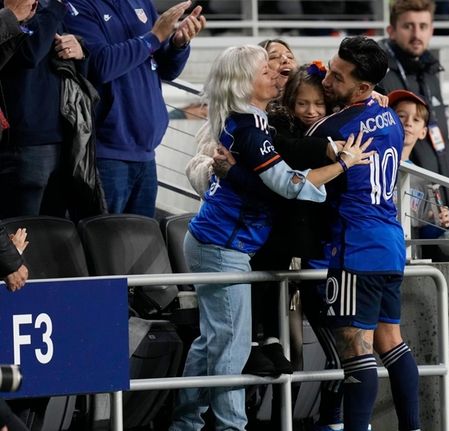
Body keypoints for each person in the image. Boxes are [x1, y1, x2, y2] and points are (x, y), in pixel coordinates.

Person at [167, 44, 371, 431]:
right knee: (231, 346)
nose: (276, 74)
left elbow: (288, 154)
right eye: (266, 71)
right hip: (223, 246)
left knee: (211, 342)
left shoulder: (253, 122)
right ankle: (230, 427)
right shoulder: (249, 129)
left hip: (215, 240)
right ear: (245, 83)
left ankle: (186, 423)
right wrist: (342, 163)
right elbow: (289, 186)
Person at [306, 35, 420, 431]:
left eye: (337, 78)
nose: (326, 83)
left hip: (355, 247)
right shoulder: (387, 114)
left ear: (364, 87)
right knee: (393, 342)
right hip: (389, 241)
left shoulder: (332, 127)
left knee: (356, 351)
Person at [64, 0, 205, 217]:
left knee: (139, 244)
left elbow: (167, 69)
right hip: (105, 154)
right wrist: (154, 37)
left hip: (146, 154)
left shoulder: (140, 2)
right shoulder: (78, 6)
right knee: (103, 243)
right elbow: (101, 66)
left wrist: (178, 44)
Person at [0, 0, 98, 221]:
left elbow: (64, 63)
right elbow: (29, 54)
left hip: (63, 141)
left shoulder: (48, 8)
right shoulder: (13, 7)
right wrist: (56, 6)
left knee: (54, 237)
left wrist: (79, 50)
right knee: (22, 239)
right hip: (24, 147)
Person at [378, 0, 449, 182]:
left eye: (423, 26)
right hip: (405, 194)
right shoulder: (379, 74)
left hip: (440, 193)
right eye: (408, 26)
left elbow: (440, 135)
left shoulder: (431, 72)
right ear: (391, 31)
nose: (416, 34)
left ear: (431, 30)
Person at [389, 89, 449, 242]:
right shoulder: (370, 165)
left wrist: (439, 222)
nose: (408, 123)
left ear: (423, 132)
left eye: (416, 119)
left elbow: (424, 235)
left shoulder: (423, 180)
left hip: (407, 257)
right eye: (401, 116)